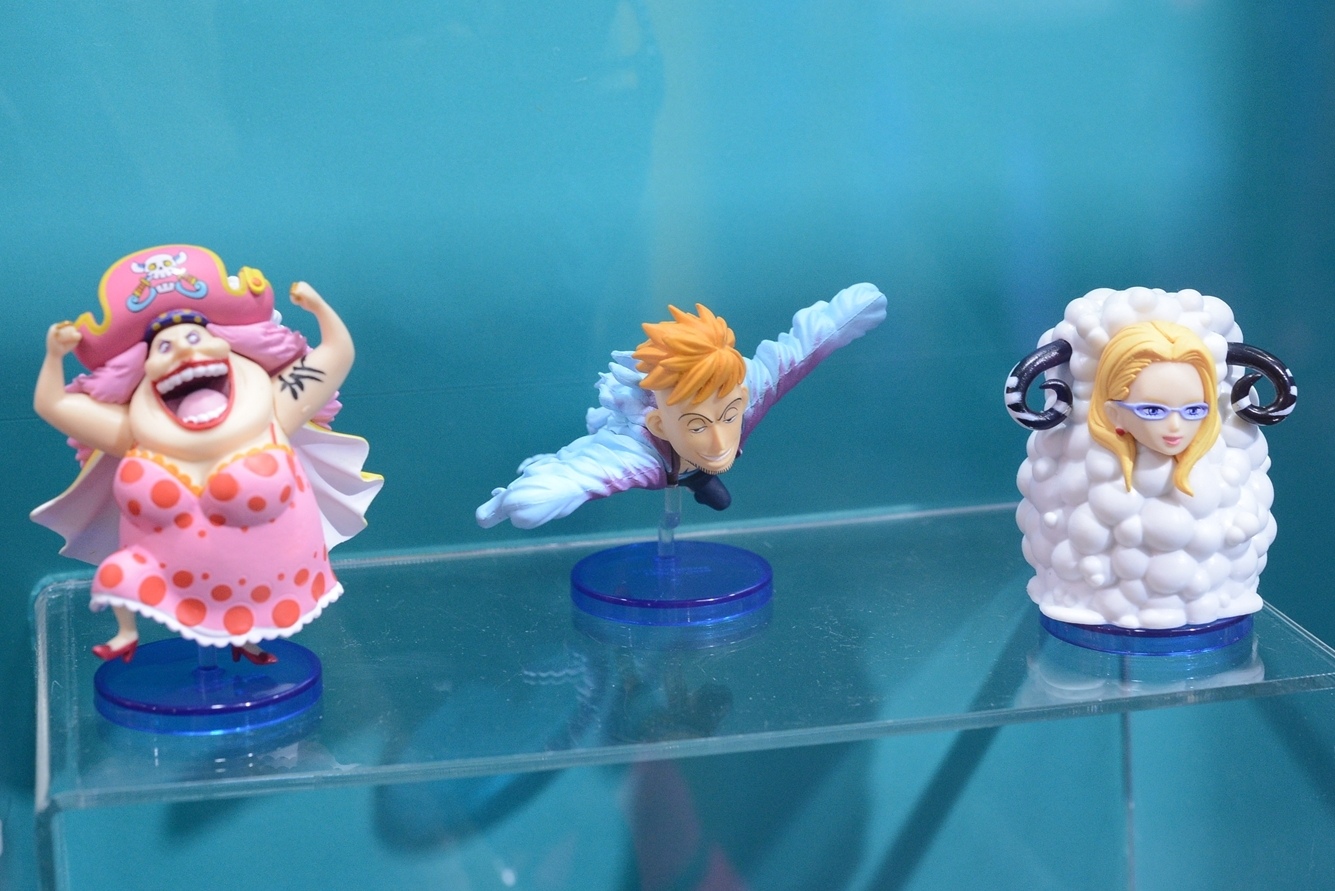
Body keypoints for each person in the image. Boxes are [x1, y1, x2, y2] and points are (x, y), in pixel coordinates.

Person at [32, 245, 382, 663]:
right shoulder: (134, 430)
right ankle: (127, 632)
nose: (183, 352)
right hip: (161, 580)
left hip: (271, 578)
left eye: (195, 338)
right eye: (164, 349)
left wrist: (318, 307)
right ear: (143, 369)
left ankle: (246, 638)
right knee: (118, 573)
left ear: (225, 344)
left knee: (253, 610)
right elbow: (53, 404)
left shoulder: (274, 406)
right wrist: (54, 356)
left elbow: (337, 353)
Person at [476, 282, 886, 529]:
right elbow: (582, 473)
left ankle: (699, 474)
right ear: (659, 423)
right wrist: (528, 496)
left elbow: (801, 349)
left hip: (692, 468)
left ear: (741, 399)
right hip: (664, 464)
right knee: (602, 448)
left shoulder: (749, 391)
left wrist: (846, 318)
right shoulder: (637, 454)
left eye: (728, 416)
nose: (719, 439)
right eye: (697, 425)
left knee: (717, 494)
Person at [1087, 320, 1222, 495]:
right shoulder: (1103, 480)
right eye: (1153, 411)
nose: (1175, 425)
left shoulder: (1214, 475)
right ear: (1115, 414)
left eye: (1193, 410)